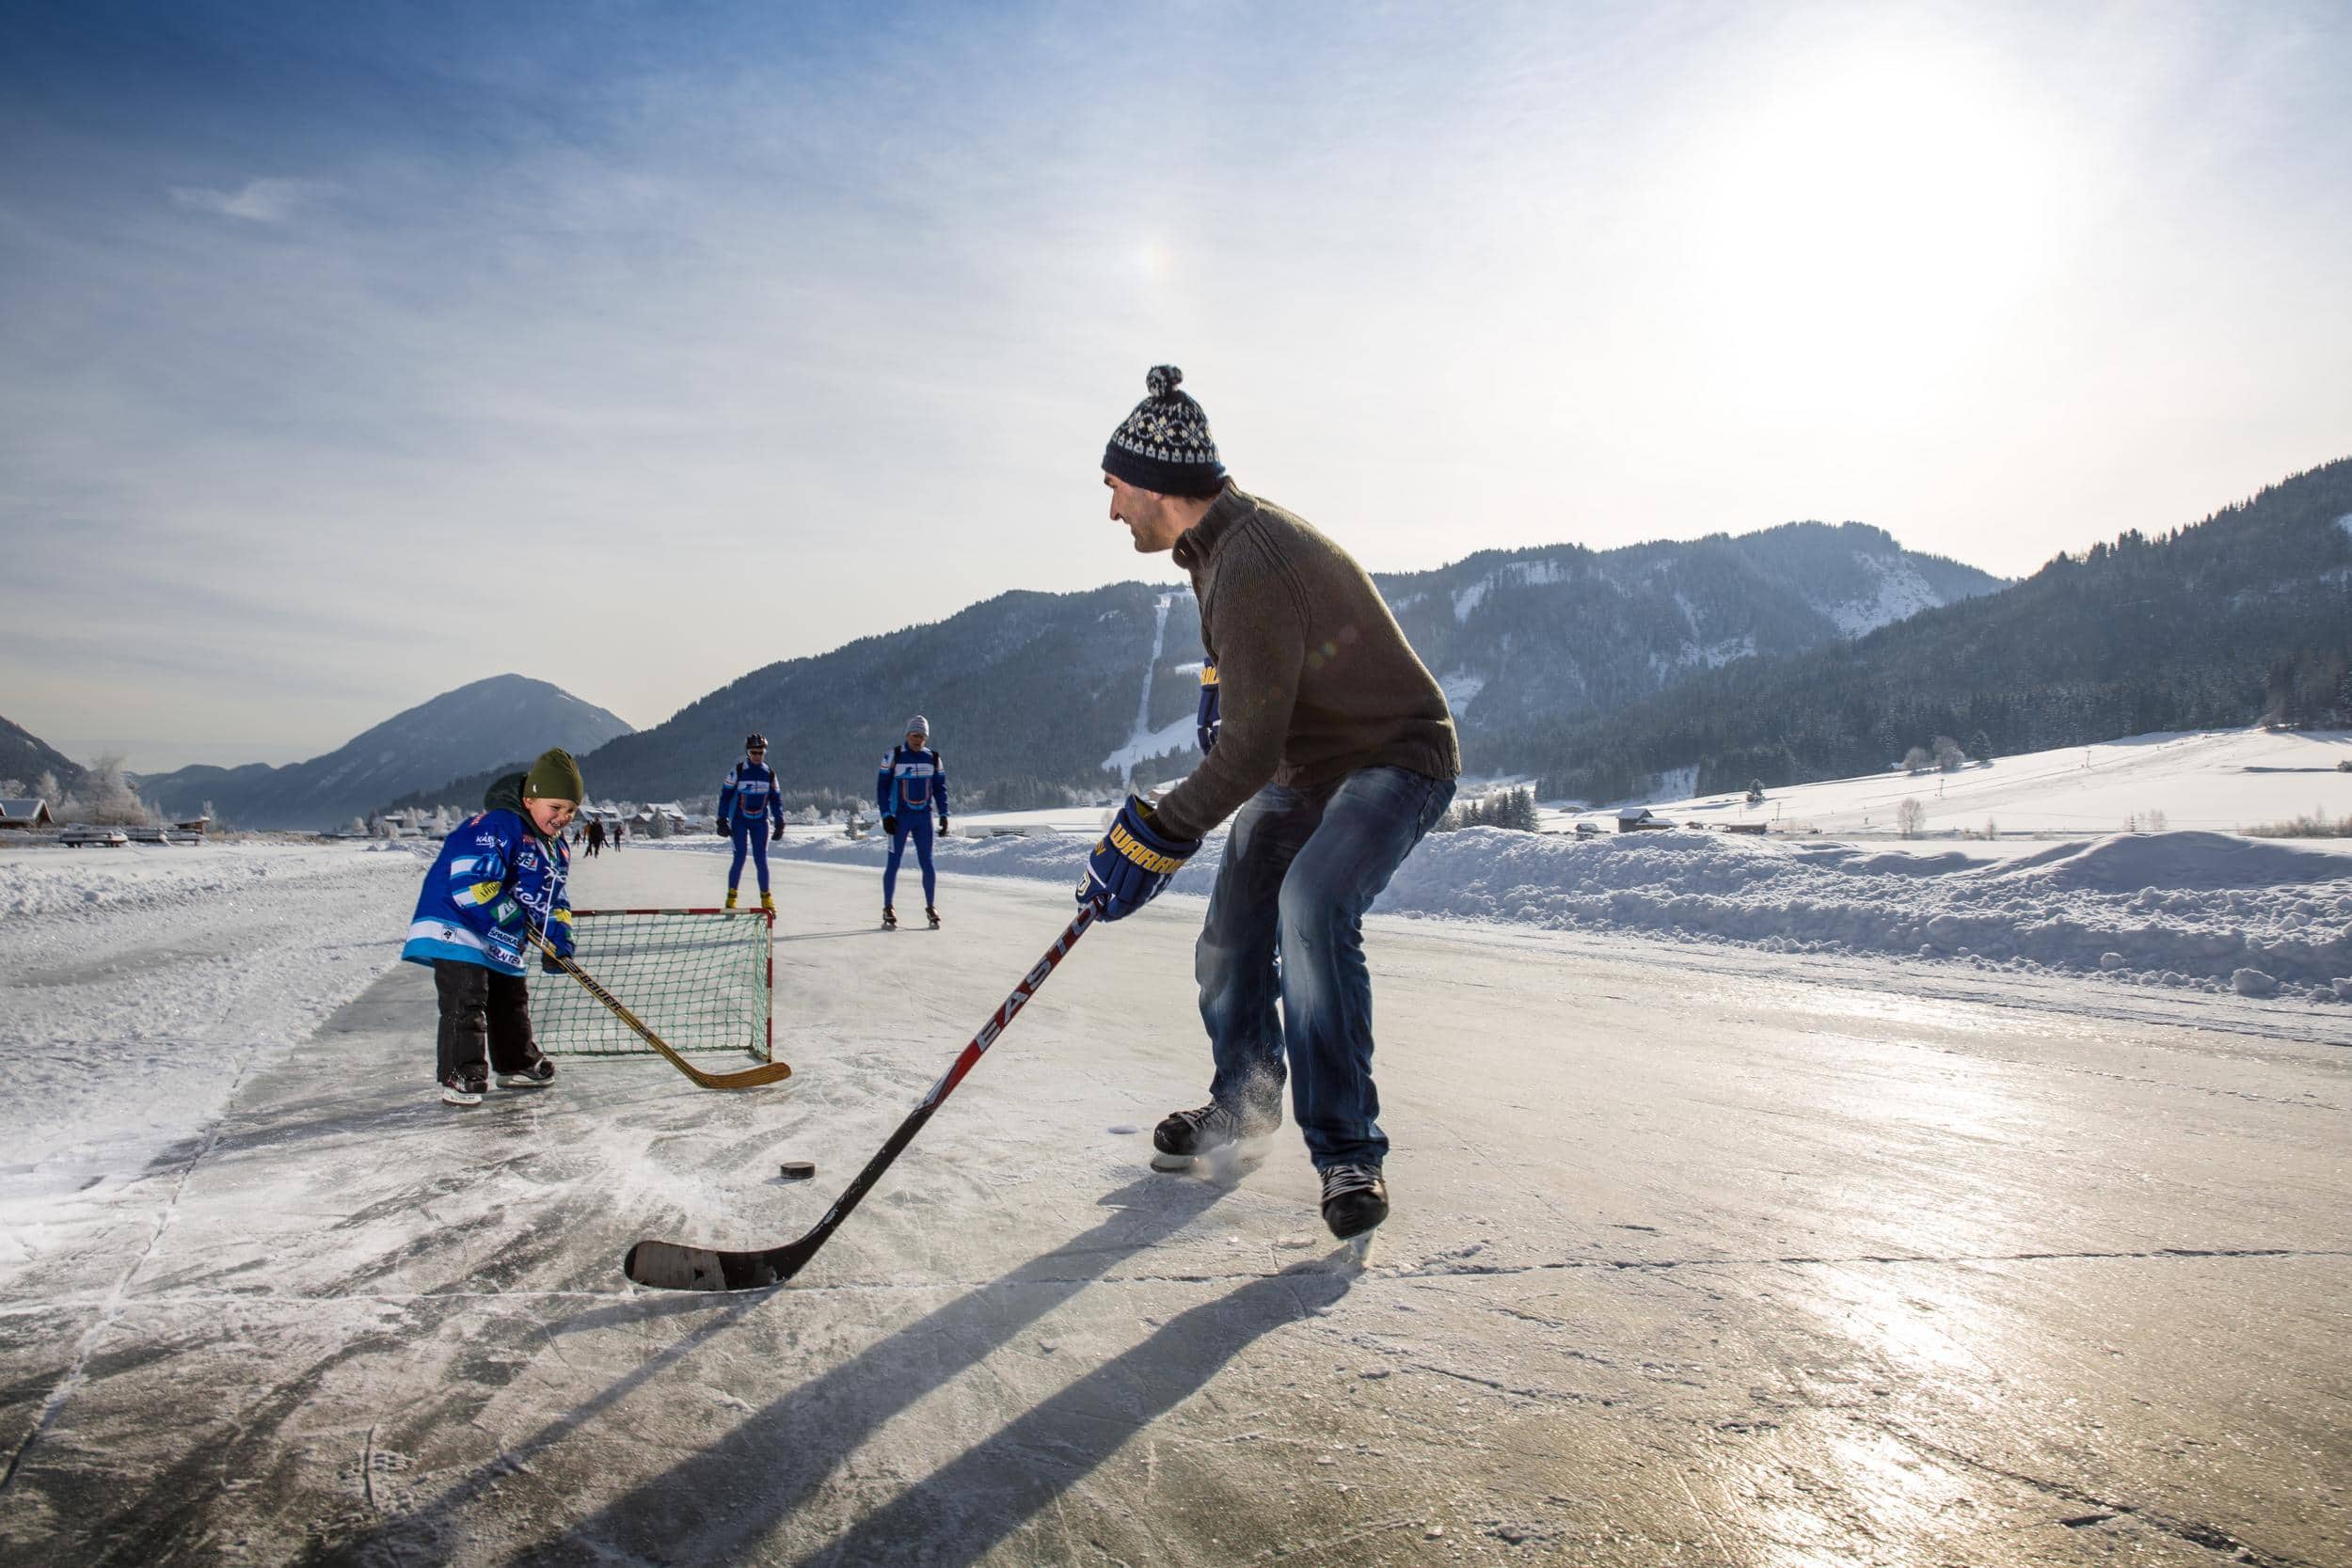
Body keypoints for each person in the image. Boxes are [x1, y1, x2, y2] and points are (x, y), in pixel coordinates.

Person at [1076, 366, 1459, 1244]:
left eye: (1113, 489)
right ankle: (1242, 1103)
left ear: (1154, 484)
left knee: (1311, 903)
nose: (1111, 511)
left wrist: (1158, 832)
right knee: (1231, 931)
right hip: (1309, 765)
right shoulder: (1215, 550)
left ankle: (1348, 1149)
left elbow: (1245, 752)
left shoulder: (1248, 559)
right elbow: (1251, 715)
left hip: (1393, 754)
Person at [400, 748, 582, 1106]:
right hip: (457, 924)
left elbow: (552, 900)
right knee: (467, 997)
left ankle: (516, 1062)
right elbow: (472, 885)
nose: (563, 817)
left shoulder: (555, 848)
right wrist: (514, 919)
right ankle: (461, 1072)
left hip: (500, 935)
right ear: (530, 799)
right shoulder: (496, 825)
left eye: (571, 810)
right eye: (555, 807)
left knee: (511, 996)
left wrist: (559, 940)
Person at [876, 716, 949, 928]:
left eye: (923, 736)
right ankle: (888, 906)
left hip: (923, 817)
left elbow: (940, 788)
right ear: (907, 734)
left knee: (927, 863)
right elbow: (881, 787)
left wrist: (944, 815)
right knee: (894, 863)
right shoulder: (894, 756)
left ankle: (931, 906)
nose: (918, 740)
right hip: (899, 817)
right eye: (915, 735)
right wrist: (885, 815)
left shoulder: (933, 758)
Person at [716, 733, 786, 912]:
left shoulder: (769, 774)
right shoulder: (738, 771)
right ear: (748, 753)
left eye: (760, 753)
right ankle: (731, 898)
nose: (757, 756)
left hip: (760, 822)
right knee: (739, 859)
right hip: (740, 821)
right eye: (753, 752)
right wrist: (721, 819)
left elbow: (776, 799)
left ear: (764, 753)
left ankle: (766, 899)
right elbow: (725, 796)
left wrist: (780, 822)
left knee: (761, 860)